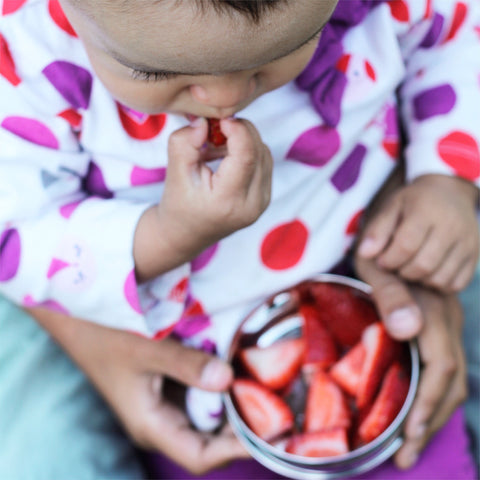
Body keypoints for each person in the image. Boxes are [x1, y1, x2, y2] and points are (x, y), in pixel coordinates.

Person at [0, 0, 479, 478]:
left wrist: (447, 179)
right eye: (152, 72)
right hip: (196, 375)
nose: (225, 98)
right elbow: (14, 235)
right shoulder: (29, 60)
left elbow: (459, 34)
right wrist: (166, 236)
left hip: (373, 311)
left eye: (287, 48)